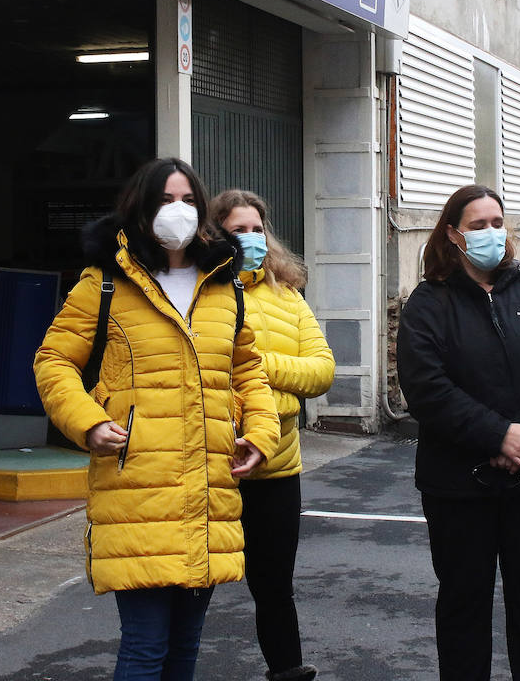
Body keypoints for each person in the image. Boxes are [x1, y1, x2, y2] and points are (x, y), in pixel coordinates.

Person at [33, 157, 280, 681]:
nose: (178, 211)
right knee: (145, 647)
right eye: (166, 200)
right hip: (138, 489)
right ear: (141, 210)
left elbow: (249, 371)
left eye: (188, 200)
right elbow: (54, 360)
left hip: (209, 489)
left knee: (186, 646)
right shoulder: (105, 282)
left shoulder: (224, 284)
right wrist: (88, 421)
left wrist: (260, 433)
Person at [396, 184, 520, 681]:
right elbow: (426, 387)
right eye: (478, 225)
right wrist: (497, 435)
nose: (491, 233)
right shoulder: (427, 304)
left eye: (497, 223)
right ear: (453, 235)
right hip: (458, 486)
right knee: (463, 606)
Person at [210, 188, 336, 681]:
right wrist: (278, 384)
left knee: (275, 587)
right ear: (213, 236)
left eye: (257, 229)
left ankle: (287, 672)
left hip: (278, 466)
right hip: (213, 464)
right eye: (237, 230)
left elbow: (322, 371)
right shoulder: (201, 293)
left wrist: (256, 364)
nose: (251, 239)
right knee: (195, 584)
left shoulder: (288, 297)